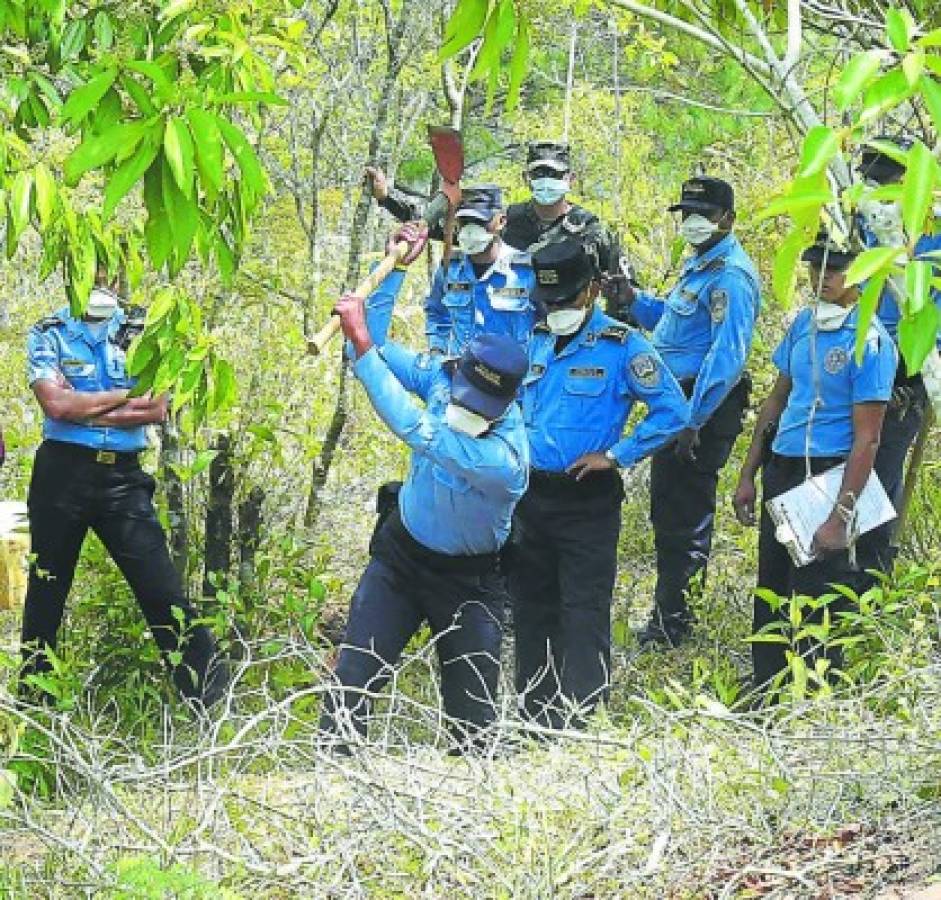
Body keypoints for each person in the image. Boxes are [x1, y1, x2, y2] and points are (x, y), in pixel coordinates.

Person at [319, 227, 530, 752]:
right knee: (350, 687)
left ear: (505, 406)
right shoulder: (441, 375)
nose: (465, 409)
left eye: (480, 406)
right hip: (401, 559)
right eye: (463, 394)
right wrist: (399, 271)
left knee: (473, 723)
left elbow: (414, 427)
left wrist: (362, 345)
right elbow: (385, 347)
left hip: (470, 581)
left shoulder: (504, 463)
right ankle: (332, 779)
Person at [21, 263, 228, 707]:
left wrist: (85, 406)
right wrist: (121, 398)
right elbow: (56, 405)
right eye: (90, 268)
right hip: (62, 472)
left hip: (123, 477)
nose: (100, 278)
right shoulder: (50, 329)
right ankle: (31, 714)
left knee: (162, 591)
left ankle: (209, 703)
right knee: (46, 591)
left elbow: (156, 407)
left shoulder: (143, 329)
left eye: (108, 269)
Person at [510, 238, 688, 729]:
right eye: (551, 301)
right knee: (531, 609)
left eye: (566, 298)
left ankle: (585, 718)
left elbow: (674, 411)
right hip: (530, 495)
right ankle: (536, 719)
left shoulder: (623, 345)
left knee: (583, 610)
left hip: (586, 498)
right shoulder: (536, 341)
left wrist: (616, 455)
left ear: (589, 291)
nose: (559, 308)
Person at [732, 232, 897, 691]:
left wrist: (840, 515)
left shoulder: (869, 341)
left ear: (859, 274)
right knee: (773, 583)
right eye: (815, 268)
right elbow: (776, 401)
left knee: (819, 587)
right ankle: (767, 687)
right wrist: (749, 473)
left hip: (830, 473)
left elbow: (868, 439)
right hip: (784, 464)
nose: (822, 278)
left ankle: (816, 691)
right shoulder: (803, 324)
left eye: (835, 269)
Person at [613, 176, 761, 647]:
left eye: (705, 214)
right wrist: (635, 302)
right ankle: (668, 611)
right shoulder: (700, 265)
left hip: (703, 406)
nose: (694, 223)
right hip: (680, 401)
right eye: (688, 213)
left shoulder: (731, 276)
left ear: (728, 220)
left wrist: (692, 420)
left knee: (685, 515)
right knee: (669, 511)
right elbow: (677, 329)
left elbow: (726, 356)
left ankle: (674, 624)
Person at [365, 141, 629, 300]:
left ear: (570, 180)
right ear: (526, 178)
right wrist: (387, 197)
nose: (546, 180)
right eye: (539, 173)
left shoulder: (591, 231)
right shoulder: (507, 221)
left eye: (554, 174)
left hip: (569, 338)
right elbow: (440, 225)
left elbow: (624, 291)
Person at [854, 136, 941, 569]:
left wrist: (910, 374)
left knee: (879, 474)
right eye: (870, 175)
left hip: (905, 372)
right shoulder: (857, 224)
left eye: (885, 177)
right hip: (857, 363)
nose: (875, 186)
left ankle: (871, 578)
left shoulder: (930, 234)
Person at [425, 185, 536, 356]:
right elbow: (436, 313)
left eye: (479, 222)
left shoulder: (526, 271)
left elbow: (546, 328)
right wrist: (436, 351)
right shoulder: (450, 269)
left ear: (501, 221)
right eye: (465, 222)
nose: (471, 230)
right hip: (460, 375)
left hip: (512, 378)